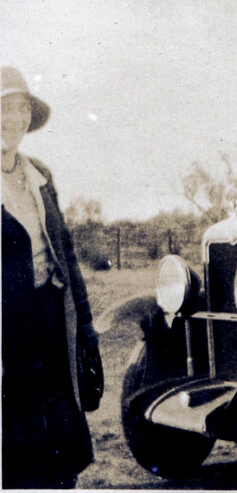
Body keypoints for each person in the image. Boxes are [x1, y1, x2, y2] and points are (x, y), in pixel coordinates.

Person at [2, 66, 103, 488]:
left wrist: (86, 326)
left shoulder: (40, 175)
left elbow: (66, 254)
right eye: (5, 108)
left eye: (21, 108)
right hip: (8, 325)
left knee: (61, 425)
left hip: (50, 316)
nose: (15, 119)